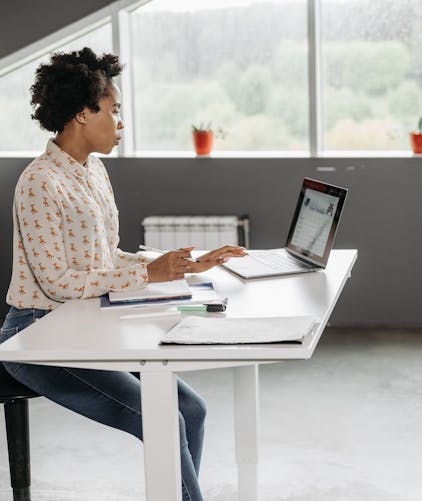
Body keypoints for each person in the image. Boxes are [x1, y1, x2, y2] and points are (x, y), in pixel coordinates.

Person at [0, 47, 246, 501]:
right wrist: (146, 276)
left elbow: (105, 256)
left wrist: (181, 266)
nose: (120, 122)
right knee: (163, 418)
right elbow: (56, 282)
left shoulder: (93, 171)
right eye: (113, 111)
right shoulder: (38, 182)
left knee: (191, 409)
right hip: (35, 336)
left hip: (83, 324)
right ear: (81, 113)